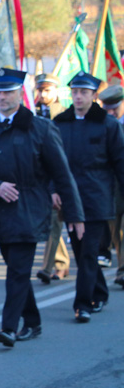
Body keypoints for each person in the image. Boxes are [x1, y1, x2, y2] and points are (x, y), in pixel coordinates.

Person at [0, 68, 84, 347]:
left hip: (29, 208)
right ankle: (33, 320)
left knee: (17, 270)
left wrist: (75, 215)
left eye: (8, 91)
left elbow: (62, 174)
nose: (2, 97)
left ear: (20, 94)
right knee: (16, 268)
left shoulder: (40, 128)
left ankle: (8, 327)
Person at [52, 72, 124, 321]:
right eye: (74, 92)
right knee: (81, 250)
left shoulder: (108, 124)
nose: (78, 96)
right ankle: (100, 292)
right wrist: (53, 189)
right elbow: (49, 161)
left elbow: (120, 163)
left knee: (89, 251)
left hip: (97, 198)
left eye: (84, 92)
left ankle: (82, 304)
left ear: (94, 96)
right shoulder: (60, 123)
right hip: (70, 199)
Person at [34, 74, 71, 285]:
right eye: (40, 90)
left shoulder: (63, 116)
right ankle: (61, 261)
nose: (42, 94)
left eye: (47, 90)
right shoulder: (31, 114)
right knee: (49, 223)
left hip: (57, 177)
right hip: (37, 178)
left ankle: (48, 267)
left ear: (56, 92)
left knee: (54, 222)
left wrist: (57, 186)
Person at [98, 84, 124, 288]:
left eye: (115, 107)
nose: (112, 112)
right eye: (107, 108)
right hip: (112, 185)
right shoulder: (104, 125)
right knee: (116, 231)